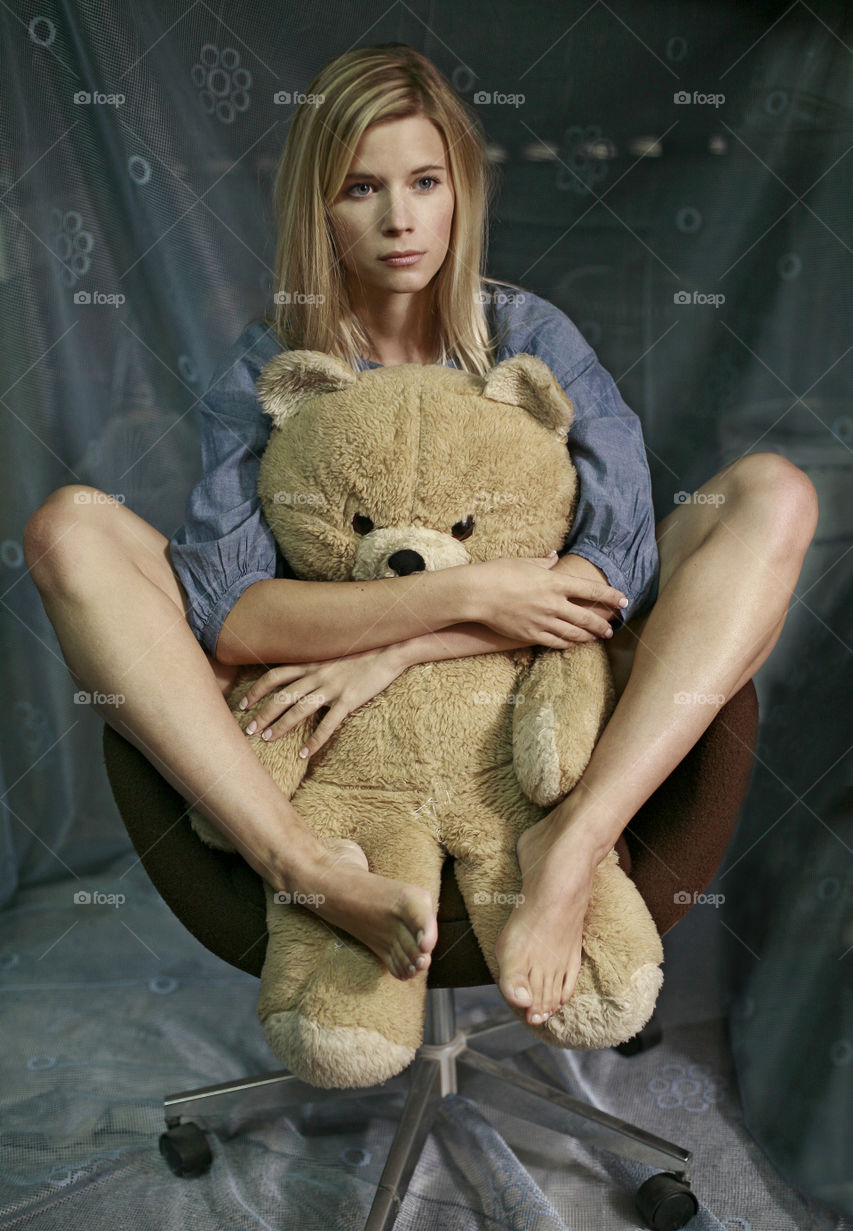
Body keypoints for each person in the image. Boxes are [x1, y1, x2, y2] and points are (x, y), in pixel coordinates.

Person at [24, 44, 818, 1029]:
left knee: (776, 492)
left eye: (423, 182)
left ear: (459, 192)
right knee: (66, 527)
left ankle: (572, 841)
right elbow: (232, 616)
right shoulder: (271, 365)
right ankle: (297, 860)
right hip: (336, 749)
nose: (399, 219)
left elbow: (611, 576)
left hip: (532, 712)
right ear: (319, 205)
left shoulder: (529, 338)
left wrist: (393, 646)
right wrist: (465, 593)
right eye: (361, 187)